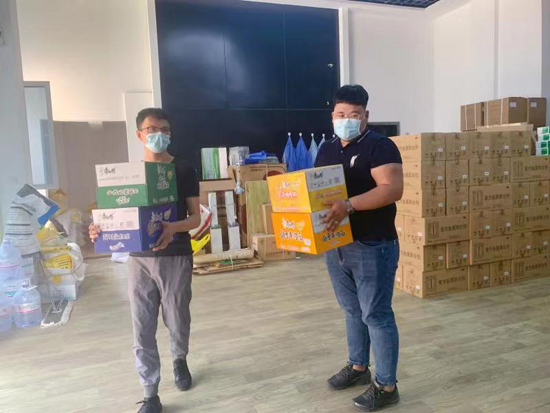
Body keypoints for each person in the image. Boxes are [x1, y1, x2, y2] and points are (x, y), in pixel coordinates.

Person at [89, 108, 200, 413]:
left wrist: (172, 227)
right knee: (142, 326)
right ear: (139, 134)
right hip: (139, 260)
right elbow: (115, 217)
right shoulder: (129, 176)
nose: (158, 135)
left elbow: (195, 218)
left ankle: (179, 358)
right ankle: (150, 393)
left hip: (175, 255)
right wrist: (100, 229)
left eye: (164, 129)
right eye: (151, 129)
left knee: (177, 317)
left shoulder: (184, 170)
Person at [315, 85, 404, 411]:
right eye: (341, 114)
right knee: (352, 310)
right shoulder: (326, 149)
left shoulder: (380, 146)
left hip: (372, 243)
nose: (346, 120)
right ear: (332, 116)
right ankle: (358, 366)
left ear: (366, 116)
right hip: (337, 243)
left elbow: (392, 189)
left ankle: (387, 386)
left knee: (376, 314)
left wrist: (349, 205)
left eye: (354, 115)